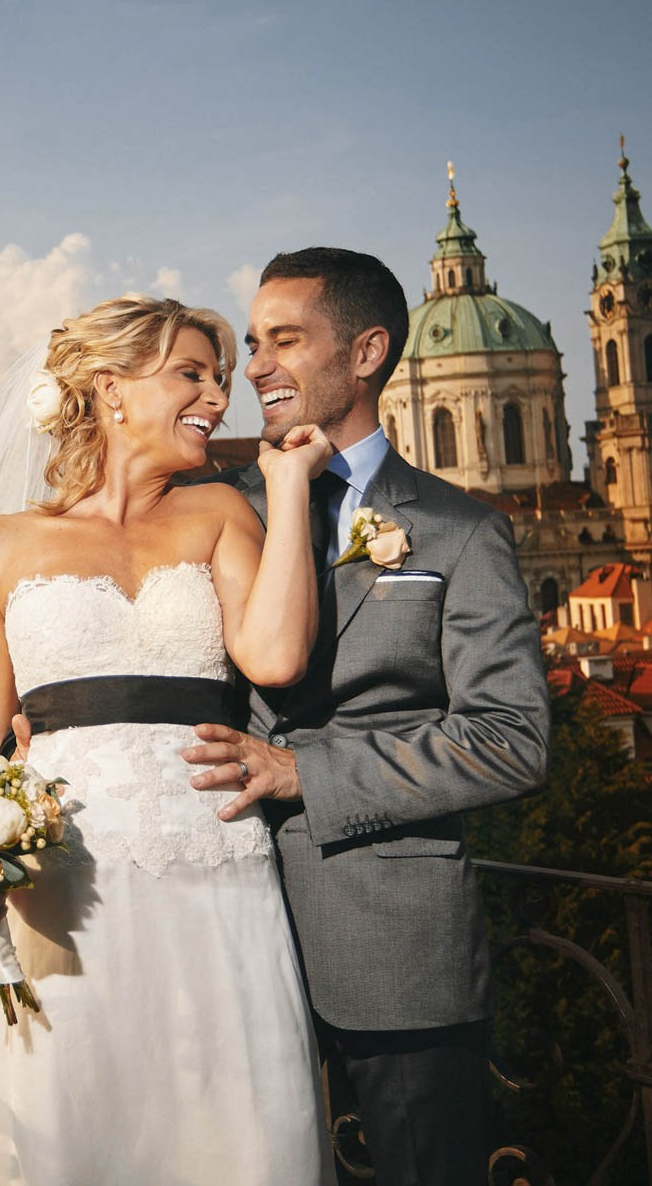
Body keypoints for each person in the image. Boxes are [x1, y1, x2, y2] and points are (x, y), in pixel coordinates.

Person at [0, 295, 336, 1186]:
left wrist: (290, 490)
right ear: (112, 390)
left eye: (219, 377)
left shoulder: (223, 513)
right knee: (74, 1126)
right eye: (191, 373)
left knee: (238, 1125)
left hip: (216, 868)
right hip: (64, 889)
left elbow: (275, 655)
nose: (217, 396)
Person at [177, 248, 551, 1185]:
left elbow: (510, 741)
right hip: (219, 937)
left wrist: (308, 773)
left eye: (285, 341)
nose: (253, 367)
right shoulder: (219, 513)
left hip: (397, 952)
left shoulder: (461, 530)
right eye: (252, 343)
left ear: (369, 352)